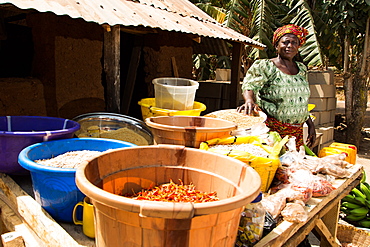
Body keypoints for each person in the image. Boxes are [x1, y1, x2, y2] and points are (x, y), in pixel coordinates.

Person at [237, 24, 316, 149]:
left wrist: (310, 124)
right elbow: (250, 84)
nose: (290, 46)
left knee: (292, 166)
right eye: (285, 42)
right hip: (272, 132)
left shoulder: (301, 69)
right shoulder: (267, 66)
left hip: (296, 133)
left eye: (294, 43)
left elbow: (301, 100)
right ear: (276, 46)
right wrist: (249, 100)